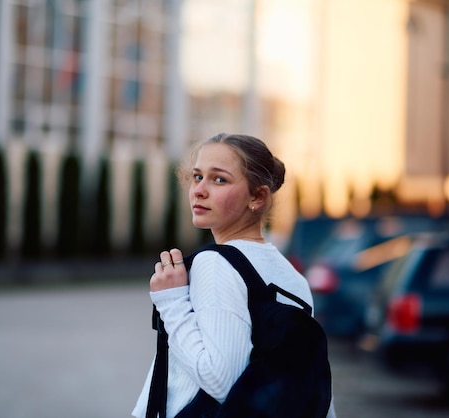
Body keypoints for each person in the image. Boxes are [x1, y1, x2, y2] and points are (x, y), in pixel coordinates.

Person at [132, 133, 336, 417]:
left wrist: (172, 302)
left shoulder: (215, 264)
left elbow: (221, 380)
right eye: (197, 176)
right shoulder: (294, 278)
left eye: (219, 180)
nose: (199, 190)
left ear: (258, 196)